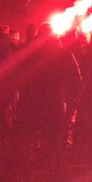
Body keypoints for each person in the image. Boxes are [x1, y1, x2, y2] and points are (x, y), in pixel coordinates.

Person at [14, 24, 82, 160]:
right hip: (55, 99)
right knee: (52, 135)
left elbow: (19, 75)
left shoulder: (29, 53)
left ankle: (25, 165)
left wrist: (21, 94)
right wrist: (70, 97)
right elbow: (76, 79)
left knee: (30, 132)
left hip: (32, 99)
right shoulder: (64, 53)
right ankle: (50, 164)